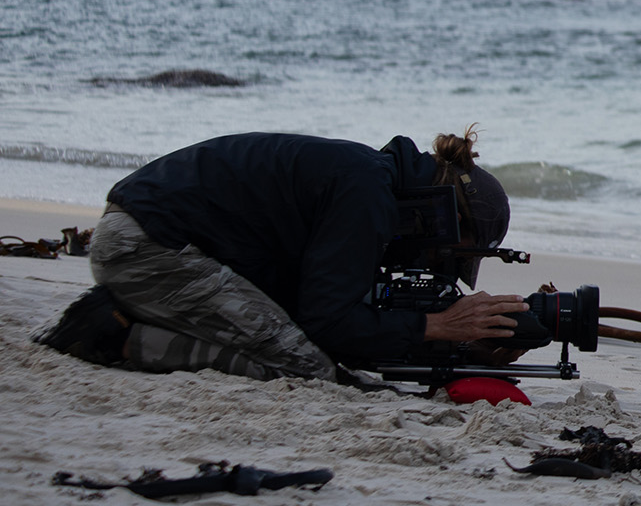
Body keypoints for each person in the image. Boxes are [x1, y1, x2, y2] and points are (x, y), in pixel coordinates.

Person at [39, 129, 527, 381]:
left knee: (295, 348)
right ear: (444, 217)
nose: (434, 264)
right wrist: (437, 326)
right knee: (304, 367)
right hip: (148, 247)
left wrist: (461, 346)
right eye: (447, 255)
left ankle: (136, 311)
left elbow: (312, 306)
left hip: (150, 237)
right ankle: (117, 335)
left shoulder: (371, 178)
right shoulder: (365, 194)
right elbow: (326, 323)